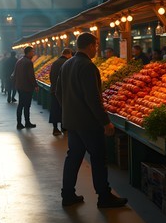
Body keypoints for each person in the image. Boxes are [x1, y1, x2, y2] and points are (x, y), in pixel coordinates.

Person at [59, 33, 128, 208]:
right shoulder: (88, 66)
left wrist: (70, 108)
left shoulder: (67, 64)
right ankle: (104, 196)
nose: (97, 49)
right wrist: (105, 121)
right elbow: (93, 98)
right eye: (96, 46)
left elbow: (58, 92)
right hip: (88, 123)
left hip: (72, 121)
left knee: (73, 156)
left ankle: (67, 194)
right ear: (90, 46)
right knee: (98, 158)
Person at [13, 46, 39, 129]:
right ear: (28, 52)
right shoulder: (28, 62)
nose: (33, 53)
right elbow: (31, 75)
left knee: (21, 105)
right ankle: (26, 122)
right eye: (32, 51)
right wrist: (35, 85)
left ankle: (19, 123)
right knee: (27, 106)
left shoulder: (19, 61)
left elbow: (14, 73)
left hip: (20, 86)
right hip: (27, 87)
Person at [49, 48, 72, 136]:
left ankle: (55, 128)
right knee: (63, 110)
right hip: (64, 91)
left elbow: (51, 76)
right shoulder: (67, 63)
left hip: (54, 89)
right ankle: (64, 127)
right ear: (69, 54)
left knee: (55, 109)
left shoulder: (55, 62)